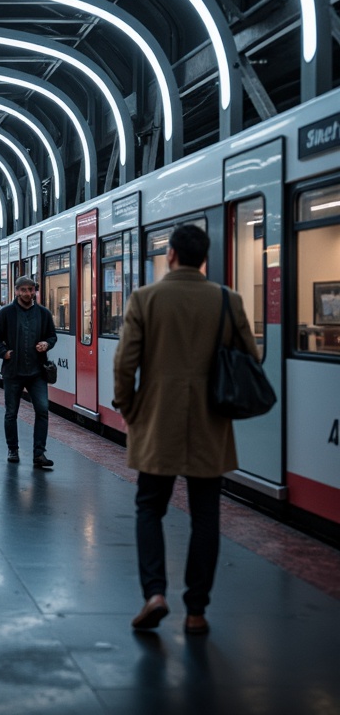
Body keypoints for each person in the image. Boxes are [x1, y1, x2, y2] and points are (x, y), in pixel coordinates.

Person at [113, 224, 258, 636]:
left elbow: (125, 363)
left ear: (172, 255)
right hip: (210, 422)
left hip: (157, 420)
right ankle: (196, 611)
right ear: (204, 258)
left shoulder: (145, 298)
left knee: (149, 507)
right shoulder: (228, 300)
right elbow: (251, 356)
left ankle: (155, 594)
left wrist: (127, 407)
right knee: (206, 516)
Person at [0, 275, 58, 468]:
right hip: (13, 372)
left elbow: (52, 336)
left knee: (42, 410)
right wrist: (4, 353)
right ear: (17, 291)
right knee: (11, 413)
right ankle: (13, 449)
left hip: (37, 372)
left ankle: (39, 454)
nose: (28, 293)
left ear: (35, 291)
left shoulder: (44, 313)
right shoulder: (6, 313)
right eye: (24, 290)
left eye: (31, 289)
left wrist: (47, 343)